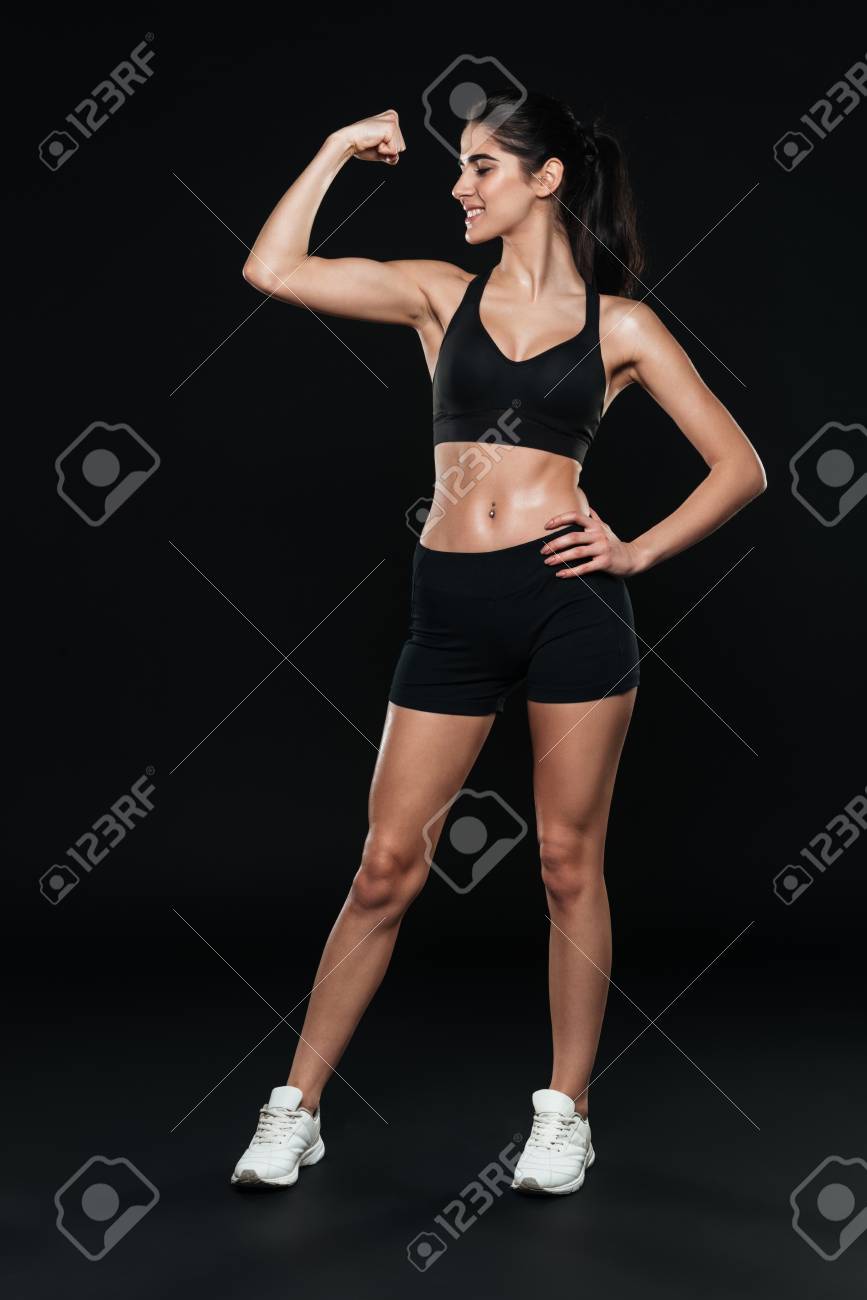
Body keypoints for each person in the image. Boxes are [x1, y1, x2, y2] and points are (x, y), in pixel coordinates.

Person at [230, 92, 766, 1195]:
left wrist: (637, 552)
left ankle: (563, 1115)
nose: (461, 186)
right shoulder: (440, 296)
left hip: (570, 607)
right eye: (459, 169)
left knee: (569, 865)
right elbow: (272, 270)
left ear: (546, 178)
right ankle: (296, 1107)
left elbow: (742, 468)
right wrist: (335, 145)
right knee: (386, 866)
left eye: (481, 167)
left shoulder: (621, 326)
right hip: (450, 608)